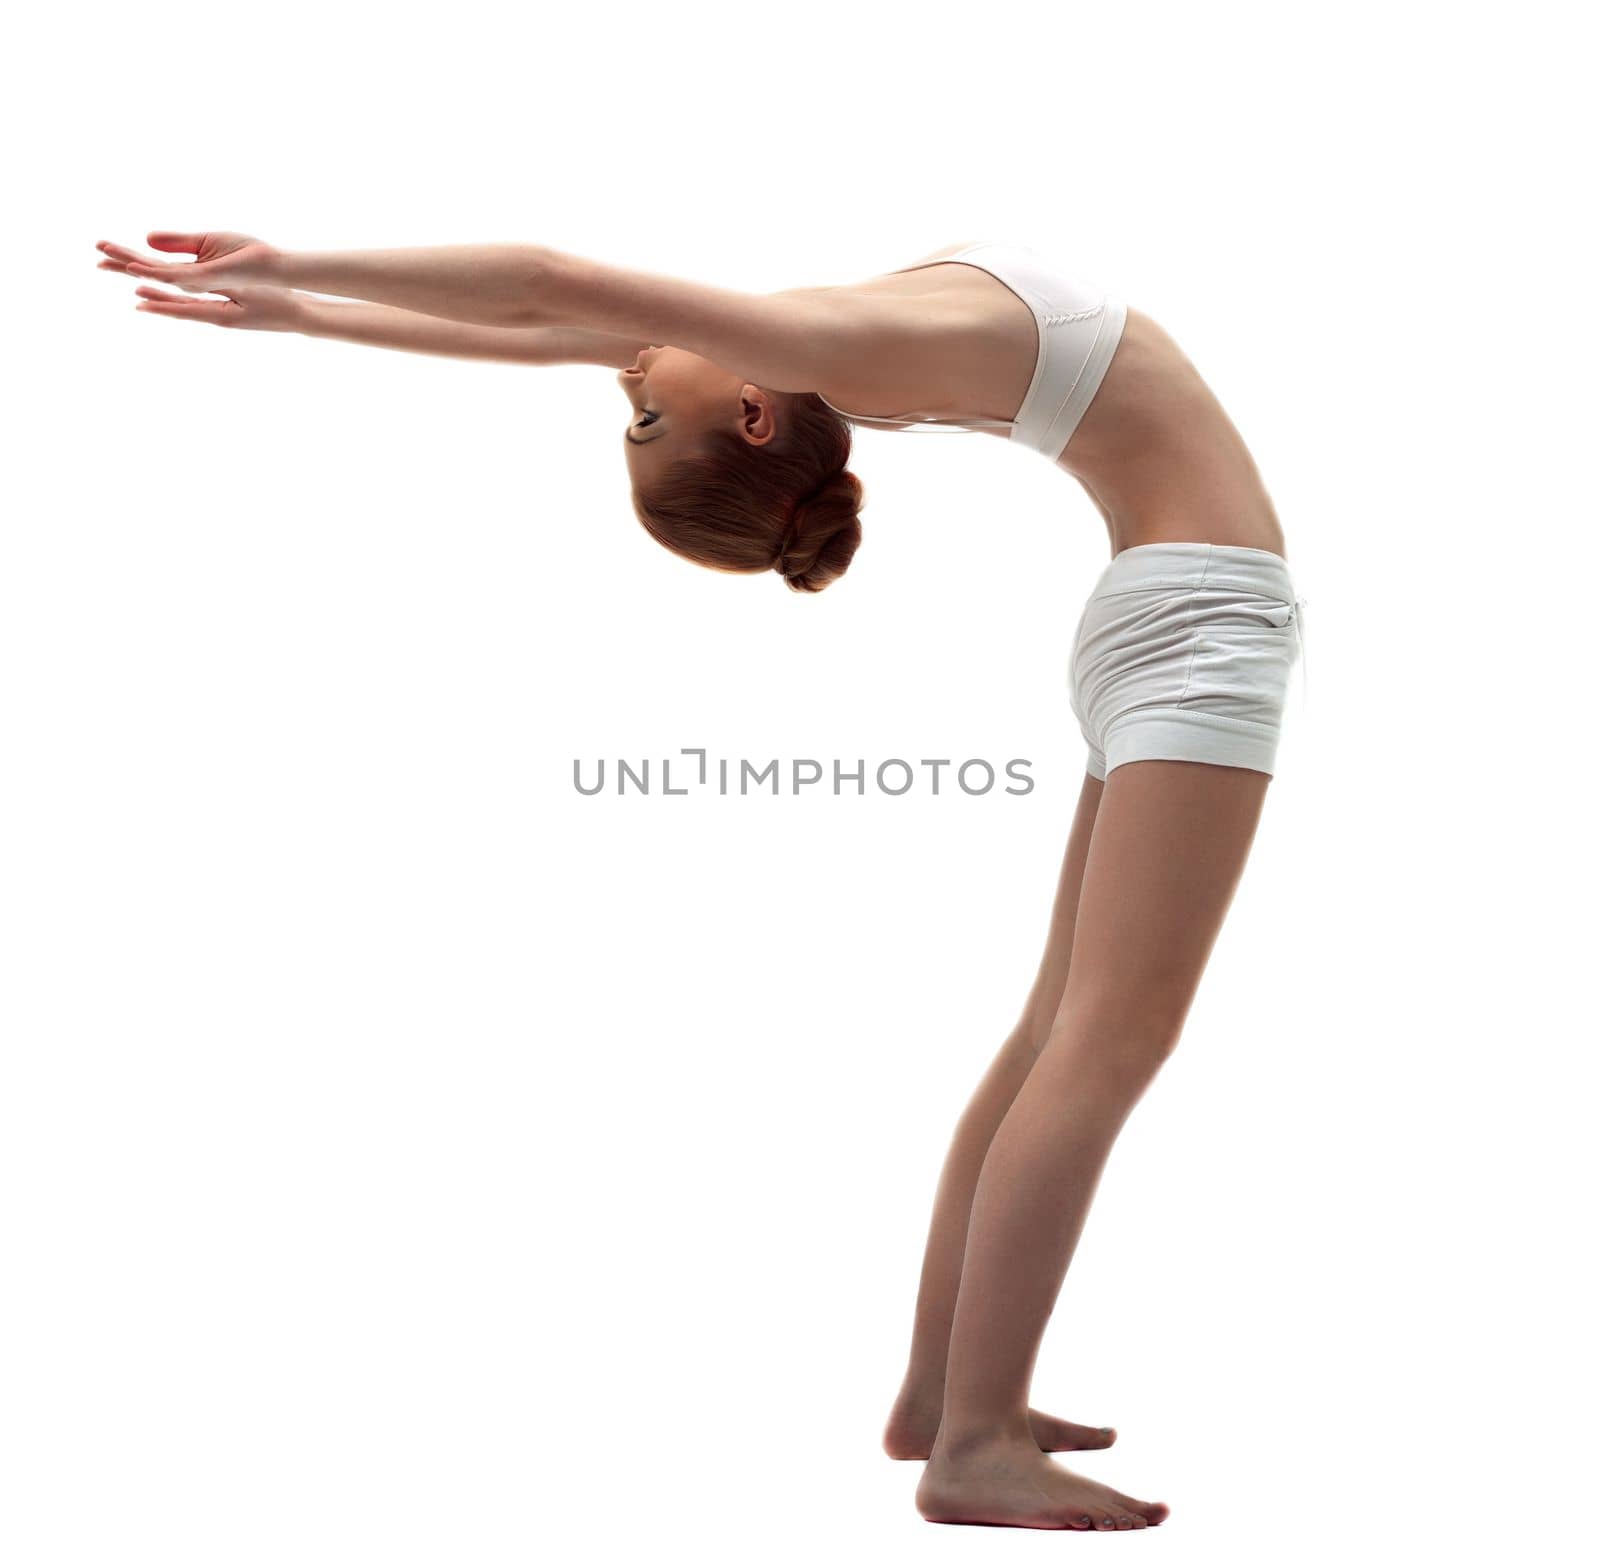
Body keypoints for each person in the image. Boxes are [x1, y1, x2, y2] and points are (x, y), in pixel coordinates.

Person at [96, 230, 1308, 1531]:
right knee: (1103, 1041)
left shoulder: (818, 351)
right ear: (745, 405)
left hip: (1160, 610)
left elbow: (542, 328)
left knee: (1051, 1034)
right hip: (1201, 622)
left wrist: (305, 311)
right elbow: (547, 282)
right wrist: (296, 268)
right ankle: (977, 1437)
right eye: (646, 419)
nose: (629, 381)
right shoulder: (826, 352)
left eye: (632, 412)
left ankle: (938, 1394)